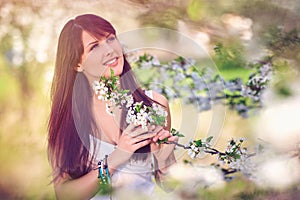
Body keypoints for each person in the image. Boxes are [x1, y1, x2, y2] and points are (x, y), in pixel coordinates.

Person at [48, 14, 178, 199]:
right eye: (94, 46)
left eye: (110, 38)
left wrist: (165, 161)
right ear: (77, 63)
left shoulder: (154, 105)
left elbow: (170, 187)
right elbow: (64, 195)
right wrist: (116, 158)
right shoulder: (69, 120)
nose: (109, 50)